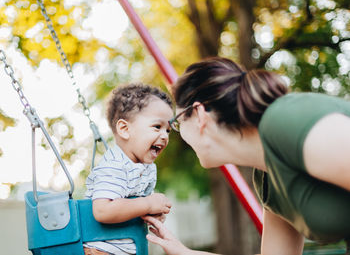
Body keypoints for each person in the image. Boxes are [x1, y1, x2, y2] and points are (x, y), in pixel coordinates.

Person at [143, 57, 350, 255]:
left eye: (177, 123)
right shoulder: (267, 177)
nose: (177, 134)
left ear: (199, 115)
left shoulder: (284, 121)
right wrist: (185, 253)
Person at [83, 83, 173, 255]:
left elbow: (132, 208)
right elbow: (103, 210)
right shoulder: (114, 165)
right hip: (99, 251)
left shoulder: (146, 168)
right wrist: (148, 204)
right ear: (124, 129)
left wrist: (152, 214)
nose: (164, 135)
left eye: (168, 130)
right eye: (157, 126)